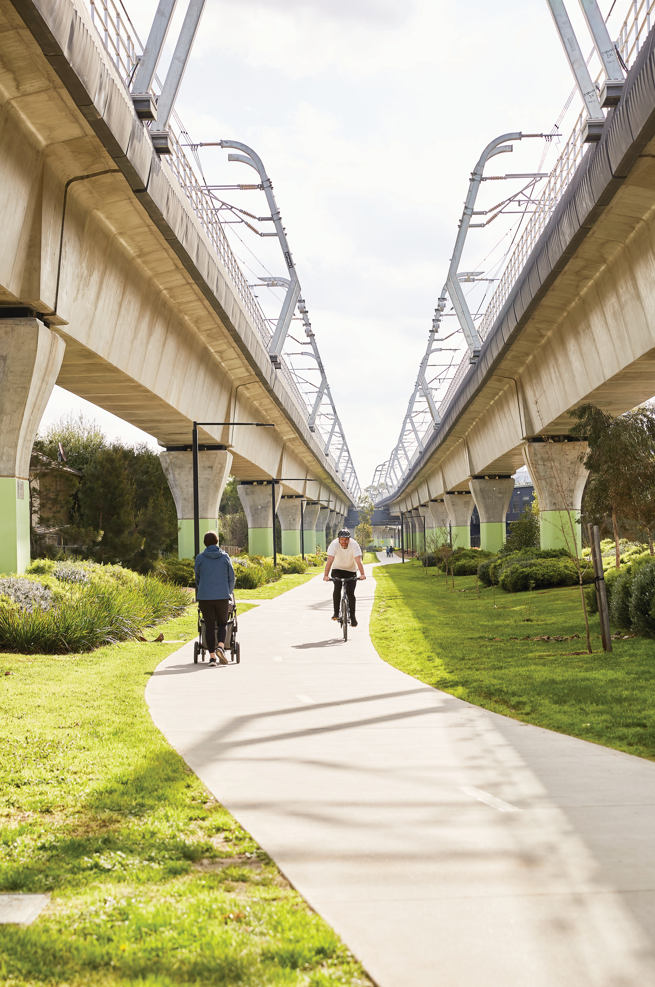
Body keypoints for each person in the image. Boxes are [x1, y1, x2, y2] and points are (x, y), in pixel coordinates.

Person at [194, 531, 235, 666]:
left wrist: (204, 589)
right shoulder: (225, 557)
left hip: (205, 597)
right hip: (222, 596)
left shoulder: (200, 558)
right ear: (217, 542)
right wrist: (228, 592)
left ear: (205, 543)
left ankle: (212, 658)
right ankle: (221, 647)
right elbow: (231, 578)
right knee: (223, 623)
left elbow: (198, 578)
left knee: (209, 626)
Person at [323, 528, 365, 627]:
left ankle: (353, 617)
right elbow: (329, 561)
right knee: (337, 587)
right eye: (341, 539)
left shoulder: (354, 545)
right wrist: (326, 575)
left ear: (349, 539)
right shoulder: (334, 545)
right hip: (337, 569)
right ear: (338, 539)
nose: (343, 542)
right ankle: (336, 613)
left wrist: (362, 574)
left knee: (351, 593)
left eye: (346, 539)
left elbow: (358, 561)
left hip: (351, 570)